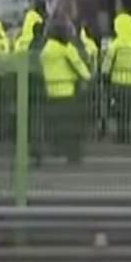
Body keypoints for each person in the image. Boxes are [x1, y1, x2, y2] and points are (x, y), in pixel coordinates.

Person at [39, 19, 93, 164]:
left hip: (51, 91)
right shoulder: (66, 48)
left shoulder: (46, 49)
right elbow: (78, 65)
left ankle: (56, 148)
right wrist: (88, 78)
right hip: (67, 91)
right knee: (71, 126)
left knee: (56, 123)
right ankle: (73, 156)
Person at [102, 12, 131, 143]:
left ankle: (122, 135)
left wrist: (105, 75)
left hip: (118, 81)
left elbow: (107, 63)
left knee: (120, 110)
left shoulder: (115, 44)